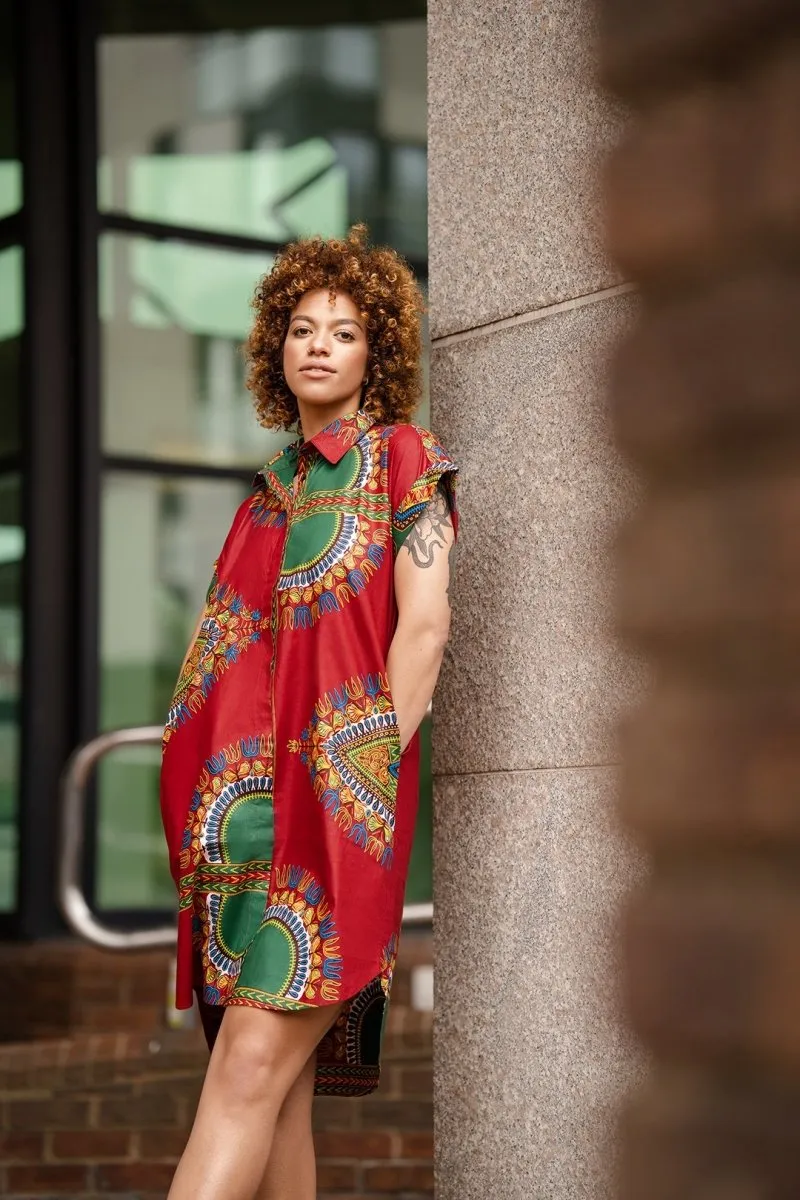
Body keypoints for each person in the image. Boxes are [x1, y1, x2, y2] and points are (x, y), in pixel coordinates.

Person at [159, 224, 458, 1200]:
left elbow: (424, 629)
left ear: (377, 354)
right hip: (241, 837)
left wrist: (366, 765)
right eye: (299, 328)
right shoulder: (265, 498)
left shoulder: (401, 460)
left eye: (343, 330)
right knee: (274, 1097)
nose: (318, 343)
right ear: (273, 352)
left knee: (247, 1070)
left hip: (334, 825)